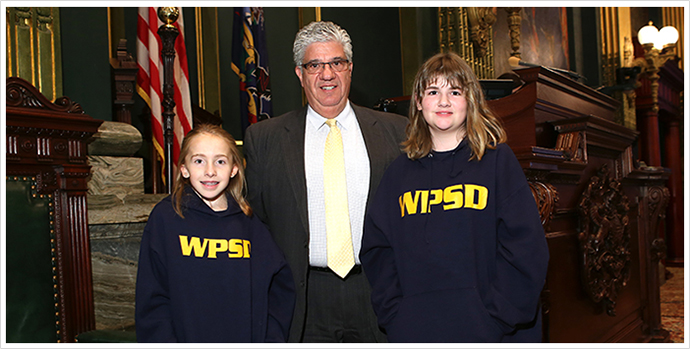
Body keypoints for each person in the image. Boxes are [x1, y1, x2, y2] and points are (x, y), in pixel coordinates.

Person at [359, 52, 550, 343]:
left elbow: (526, 248)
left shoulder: (497, 162)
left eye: (455, 91)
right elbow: (378, 251)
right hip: (416, 333)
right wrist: (397, 316)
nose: (444, 101)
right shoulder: (398, 174)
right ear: (420, 103)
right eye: (433, 91)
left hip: (490, 332)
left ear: (470, 101)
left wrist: (498, 316)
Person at [243, 21, 408, 342]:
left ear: (349, 69)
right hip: (303, 301)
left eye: (336, 63)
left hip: (378, 293)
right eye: (315, 65)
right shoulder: (264, 139)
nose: (327, 74)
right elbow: (256, 224)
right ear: (299, 73)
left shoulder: (396, 131)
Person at [135, 124, 295, 343]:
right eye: (199, 161)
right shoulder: (166, 218)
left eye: (220, 161)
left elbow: (279, 288)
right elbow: (152, 298)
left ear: (234, 169)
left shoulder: (249, 223)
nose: (210, 171)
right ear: (184, 168)